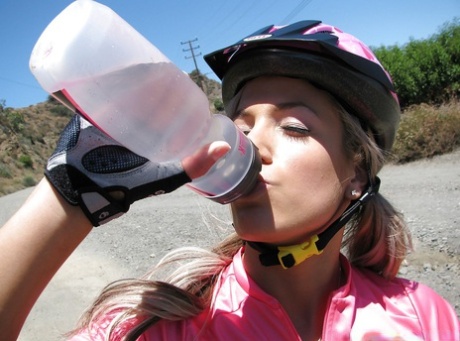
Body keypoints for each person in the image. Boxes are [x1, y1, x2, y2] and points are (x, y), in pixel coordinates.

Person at [0, 20, 458, 341]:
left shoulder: (420, 315)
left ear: (357, 171)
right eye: (240, 128)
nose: (252, 146)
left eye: (294, 127)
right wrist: (71, 193)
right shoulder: (152, 326)